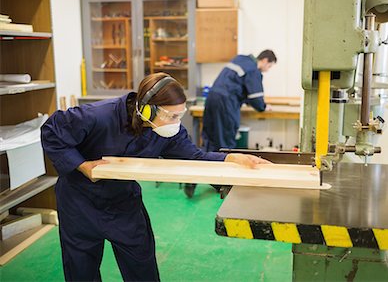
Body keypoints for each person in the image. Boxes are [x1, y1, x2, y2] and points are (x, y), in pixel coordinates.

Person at [41, 73, 270, 282]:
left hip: (122, 201)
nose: (176, 123)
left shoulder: (166, 131)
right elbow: (52, 131)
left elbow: (194, 157)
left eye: (180, 115)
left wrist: (232, 159)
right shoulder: (99, 115)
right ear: (147, 110)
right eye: (171, 115)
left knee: (142, 267)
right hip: (79, 203)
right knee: (81, 271)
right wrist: (82, 165)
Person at [184, 50, 277, 198]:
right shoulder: (254, 69)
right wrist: (264, 107)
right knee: (225, 142)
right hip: (226, 104)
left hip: (212, 100)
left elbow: (237, 86)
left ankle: (196, 176)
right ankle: (223, 183)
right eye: (269, 66)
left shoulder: (240, 59)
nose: (267, 70)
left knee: (208, 140)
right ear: (265, 60)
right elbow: (256, 99)